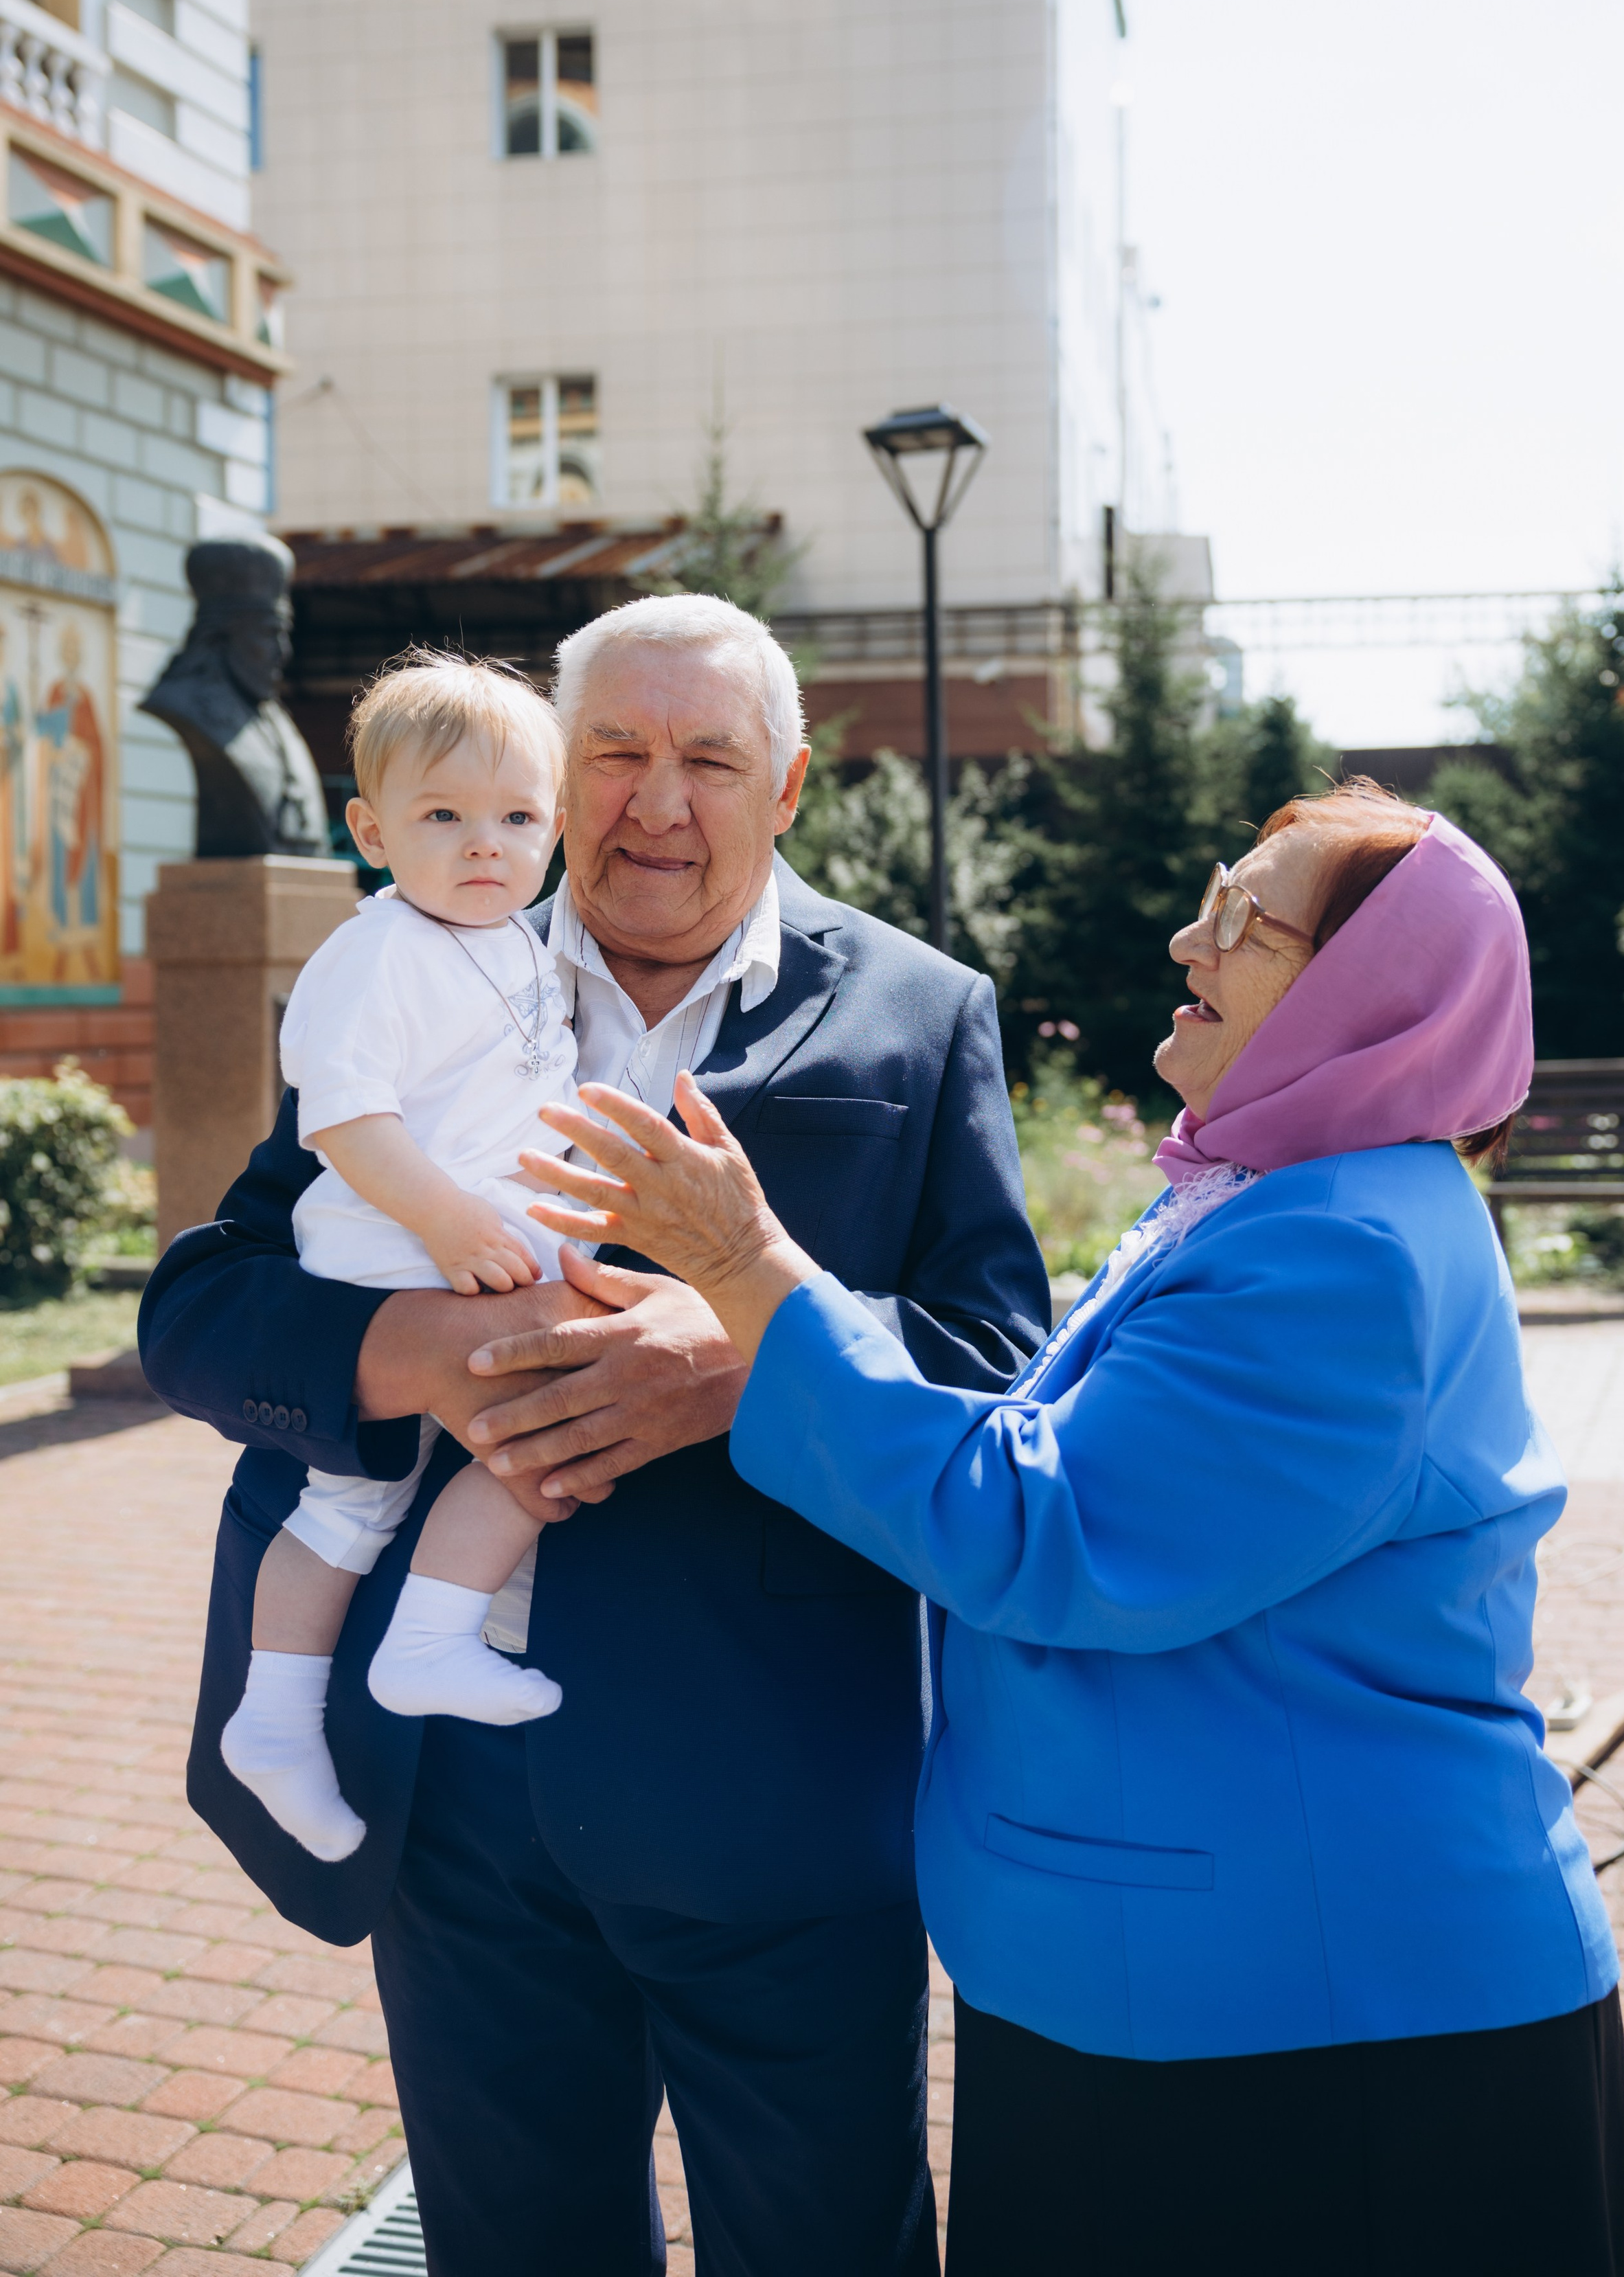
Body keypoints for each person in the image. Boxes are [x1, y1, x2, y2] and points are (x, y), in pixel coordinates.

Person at [519, 782, 1624, 2277]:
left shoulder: (1343, 1250)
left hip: (1311, 2028)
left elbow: (1047, 1532)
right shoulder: (1284, 1196)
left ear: (1366, 992)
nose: (1191, 938)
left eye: (1247, 920)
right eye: (1214, 891)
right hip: (1199, 1981)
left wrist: (749, 1270)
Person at [139, 593, 1049, 2277]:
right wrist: (415, 1348)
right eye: (614, 752)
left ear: (786, 789)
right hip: (455, 1799)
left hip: (779, 1791)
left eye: (711, 760)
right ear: (556, 775)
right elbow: (205, 1306)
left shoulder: (921, 1015)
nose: (656, 801)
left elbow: (1002, 1366)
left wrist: (751, 1361)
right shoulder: (418, 960)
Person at [220, 654, 585, 1867]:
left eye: (518, 818)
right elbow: (344, 1119)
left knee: (520, 1448)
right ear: (371, 833)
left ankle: (401, 1651)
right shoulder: (376, 951)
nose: (485, 843)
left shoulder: (518, 942)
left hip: (486, 1255)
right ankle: (298, 1703)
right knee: (381, 1489)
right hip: (397, 1259)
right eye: (442, 817)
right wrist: (446, 1223)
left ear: (556, 830)